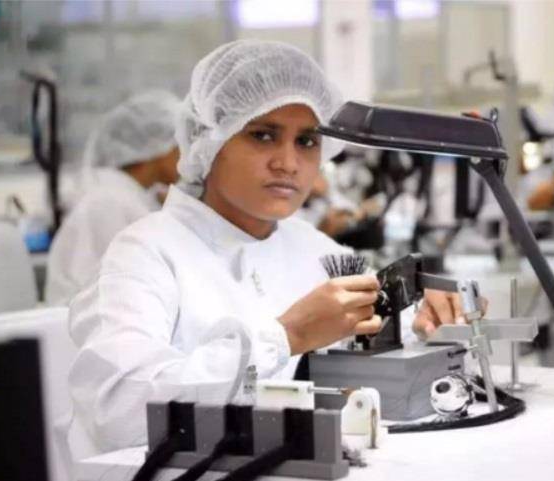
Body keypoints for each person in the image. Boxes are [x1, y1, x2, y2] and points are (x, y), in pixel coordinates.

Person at [66, 40, 466, 458]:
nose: (288, 163)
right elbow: (119, 410)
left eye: (307, 141)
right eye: (262, 135)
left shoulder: (311, 246)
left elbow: (385, 328)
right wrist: (286, 337)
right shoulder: (146, 252)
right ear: (209, 140)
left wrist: (427, 317)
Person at [45, 91, 181, 305]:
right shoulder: (110, 203)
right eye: (181, 144)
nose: (189, 156)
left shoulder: (131, 197)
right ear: (157, 146)